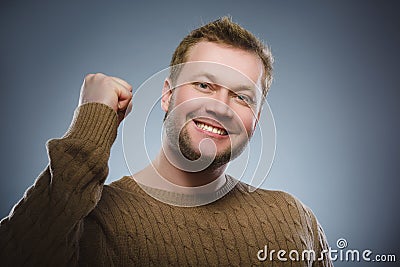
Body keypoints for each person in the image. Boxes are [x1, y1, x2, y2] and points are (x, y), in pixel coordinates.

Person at [0, 17, 333, 266]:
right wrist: (91, 124)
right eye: (204, 85)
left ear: (256, 119)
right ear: (167, 95)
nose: (220, 107)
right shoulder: (91, 217)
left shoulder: (291, 217)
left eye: (242, 97)